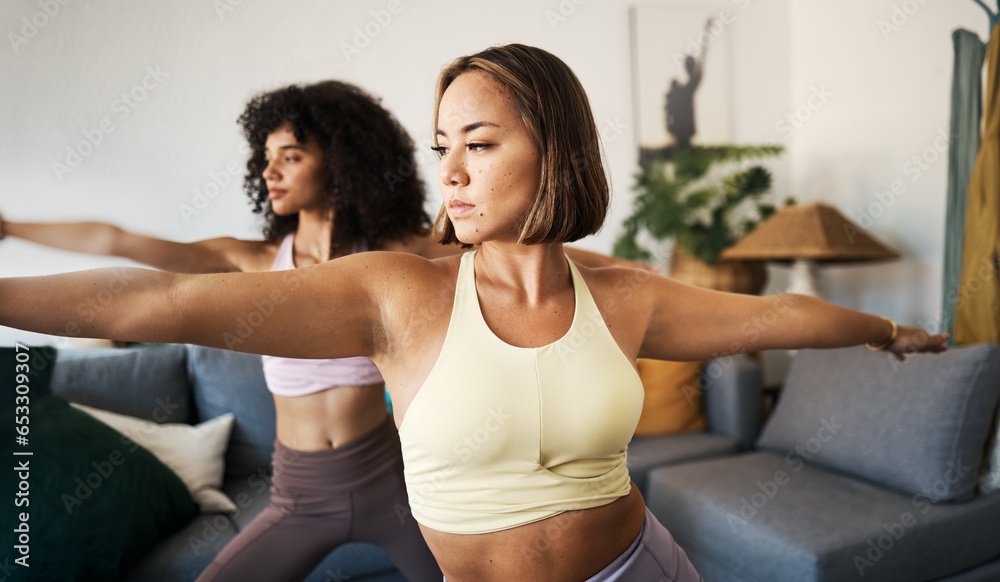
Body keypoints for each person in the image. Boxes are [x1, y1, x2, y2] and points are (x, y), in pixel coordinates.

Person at [0, 44, 948, 582]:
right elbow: (161, 299)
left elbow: (778, 315)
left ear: (556, 153)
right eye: (441, 144)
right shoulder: (396, 291)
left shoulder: (621, 295)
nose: (448, 172)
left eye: (480, 143)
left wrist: (885, 330)